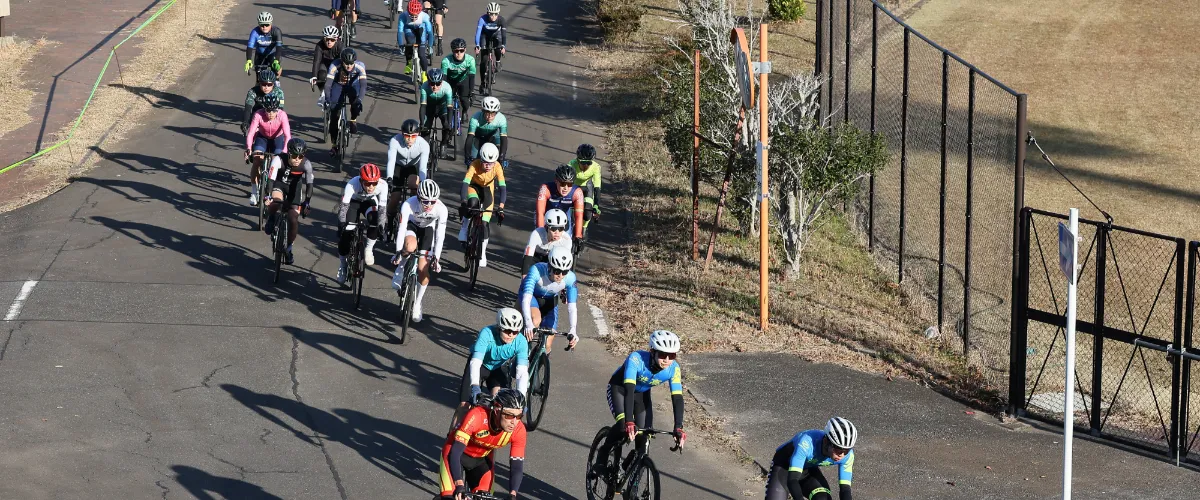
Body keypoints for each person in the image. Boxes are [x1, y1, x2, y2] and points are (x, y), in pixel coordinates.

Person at [593, 330, 686, 477]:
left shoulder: (674, 369)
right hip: (620, 389)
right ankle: (601, 457)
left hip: (641, 396)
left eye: (672, 355)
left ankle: (630, 464)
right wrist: (629, 421)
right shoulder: (636, 359)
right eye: (662, 355)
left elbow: (677, 398)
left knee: (645, 434)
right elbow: (629, 390)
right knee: (624, 425)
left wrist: (678, 427)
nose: (667, 360)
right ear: (652, 352)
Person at [448, 308, 529, 432]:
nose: (511, 335)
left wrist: (521, 398)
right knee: (465, 405)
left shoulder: (521, 341)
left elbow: (522, 373)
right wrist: (475, 386)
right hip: (481, 365)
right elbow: (476, 362)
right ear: (499, 327)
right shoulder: (487, 333)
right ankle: (451, 437)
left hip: (498, 368)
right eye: (507, 331)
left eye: (515, 332)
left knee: (502, 407)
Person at [439, 388, 527, 500]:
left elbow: (517, 467)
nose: (514, 422)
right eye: (509, 416)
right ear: (497, 410)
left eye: (519, 416)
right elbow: (455, 452)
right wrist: (459, 484)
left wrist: (512, 495)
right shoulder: (478, 416)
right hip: (456, 454)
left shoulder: (519, 430)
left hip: (481, 462)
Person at [390, 179, 447, 322]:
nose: (429, 205)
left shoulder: (441, 209)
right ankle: (401, 270)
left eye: (432, 202)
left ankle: (417, 303)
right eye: (425, 201)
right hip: (412, 226)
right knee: (409, 246)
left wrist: (437, 257)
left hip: (428, 230)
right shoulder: (409, 204)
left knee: (423, 269)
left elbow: (440, 235)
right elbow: (402, 229)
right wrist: (398, 252)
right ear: (418, 197)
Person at [764, 418, 858, 500]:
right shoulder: (806, 443)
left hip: (807, 470)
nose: (842, 455)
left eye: (846, 450)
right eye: (838, 450)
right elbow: (792, 480)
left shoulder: (848, 456)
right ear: (827, 442)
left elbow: (845, 489)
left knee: (823, 498)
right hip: (784, 467)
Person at [517, 247, 578, 352]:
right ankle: (520, 353)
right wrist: (528, 323)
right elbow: (526, 298)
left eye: (564, 272)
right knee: (535, 321)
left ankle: (537, 364)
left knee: (547, 345)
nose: (560, 276)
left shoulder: (570, 278)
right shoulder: (536, 270)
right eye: (557, 271)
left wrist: (573, 329)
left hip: (550, 301)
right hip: (532, 296)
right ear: (549, 266)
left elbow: (572, 307)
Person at [263, 139, 314, 265]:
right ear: (289, 153)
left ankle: (289, 248)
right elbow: (270, 179)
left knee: (293, 219)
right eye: (294, 156)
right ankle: (271, 217)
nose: (297, 159)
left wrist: (307, 202)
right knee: (275, 202)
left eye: (300, 156)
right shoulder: (278, 159)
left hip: (294, 190)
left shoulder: (306, 164)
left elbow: (309, 185)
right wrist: (268, 196)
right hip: (279, 185)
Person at [336, 164, 389, 284]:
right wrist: (342, 224)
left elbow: (382, 208)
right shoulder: (352, 184)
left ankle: (369, 249)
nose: (371, 187)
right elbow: (344, 207)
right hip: (353, 203)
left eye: (374, 183)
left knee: (375, 221)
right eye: (367, 183)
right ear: (361, 180)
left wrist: (381, 226)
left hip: (369, 203)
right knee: (346, 234)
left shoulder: (383, 185)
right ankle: (343, 265)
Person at [457, 142, 506, 268]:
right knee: (472, 204)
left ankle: (483, 253)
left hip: (487, 189)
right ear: (481, 159)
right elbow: (465, 184)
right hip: (474, 186)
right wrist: (463, 202)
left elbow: (502, 188)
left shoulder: (497, 167)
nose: (488, 166)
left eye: (491, 163)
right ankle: (464, 227)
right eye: (485, 162)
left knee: (484, 224)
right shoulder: (474, 164)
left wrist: (501, 207)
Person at [243, 94, 292, 207]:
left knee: (278, 163)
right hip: (262, 138)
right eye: (268, 111)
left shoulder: (282, 115)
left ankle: (277, 188)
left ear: (277, 109)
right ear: (263, 108)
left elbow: (287, 136)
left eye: (273, 111)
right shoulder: (258, 114)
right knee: (257, 160)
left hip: (277, 139)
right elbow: (251, 134)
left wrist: (284, 152)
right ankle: (254, 192)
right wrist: (249, 148)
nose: (270, 114)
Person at [323, 48, 367, 156]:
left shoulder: (360, 66)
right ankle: (334, 145)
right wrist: (328, 100)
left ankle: (353, 119)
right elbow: (328, 85)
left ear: (354, 62)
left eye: (350, 64)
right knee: (334, 113)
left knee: (356, 103)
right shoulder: (335, 65)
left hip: (353, 85)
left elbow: (363, 85)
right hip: (338, 85)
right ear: (341, 61)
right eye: (346, 63)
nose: (348, 66)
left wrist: (359, 100)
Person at [386, 119, 430, 222]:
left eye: (413, 136)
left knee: (415, 189)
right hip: (398, 166)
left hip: (412, 167)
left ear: (418, 134)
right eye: (407, 136)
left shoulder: (423, 145)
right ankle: (389, 221)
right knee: (395, 198)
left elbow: (422, 167)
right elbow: (391, 161)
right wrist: (389, 178)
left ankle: (412, 216)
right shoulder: (395, 141)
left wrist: (422, 183)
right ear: (402, 134)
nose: (410, 139)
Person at [535, 165, 585, 250]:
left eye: (569, 184)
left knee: (566, 241)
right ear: (556, 181)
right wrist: (541, 232)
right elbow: (540, 213)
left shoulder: (577, 192)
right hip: (546, 216)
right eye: (562, 183)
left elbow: (579, 216)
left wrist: (578, 236)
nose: (565, 188)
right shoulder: (545, 188)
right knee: (542, 241)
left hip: (564, 216)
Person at [522, 208, 573, 277]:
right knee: (528, 277)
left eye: (561, 229)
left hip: (552, 259)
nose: (557, 232)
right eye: (553, 228)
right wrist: (524, 275)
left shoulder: (566, 240)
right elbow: (528, 255)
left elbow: (566, 263)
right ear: (547, 227)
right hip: (536, 257)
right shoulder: (537, 233)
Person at [441, 38, 477, 121]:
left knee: (465, 100)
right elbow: (444, 78)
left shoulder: (470, 60)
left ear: (465, 50)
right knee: (448, 100)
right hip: (450, 81)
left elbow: (472, 76)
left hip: (463, 80)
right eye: (456, 51)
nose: (459, 53)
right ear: (452, 51)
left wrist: (472, 92)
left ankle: (464, 111)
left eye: (461, 51)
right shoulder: (446, 61)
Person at [463, 96, 507, 164]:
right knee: (472, 160)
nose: (489, 117)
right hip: (478, 137)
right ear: (483, 111)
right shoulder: (475, 118)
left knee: (499, 159)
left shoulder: (501, 119)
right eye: (487, 113)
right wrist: (467, 156)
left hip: (493, 136)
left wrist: (502, 157)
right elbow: (469, 138)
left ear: (496, 113)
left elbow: (504, 139)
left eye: (493, 114)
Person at [419, 68, 454, 153]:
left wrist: (449, 124)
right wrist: (422, 124)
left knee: (446, 125)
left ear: (442, 82)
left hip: (443, 107)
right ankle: (425, 150)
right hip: (429, 107)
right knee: (425, 131)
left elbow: (450, 108)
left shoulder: (447, 88)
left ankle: (444, 143)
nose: (435, 87)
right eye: (432, 83)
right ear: (428, 82)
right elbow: (423, 106)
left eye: (438, 83)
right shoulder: (424, 87)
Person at [570, 143, 603, 230]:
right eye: (582, 163)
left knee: (588, 213)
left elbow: (597, 187)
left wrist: (596, 205)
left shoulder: (596, 167)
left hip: (587, 188)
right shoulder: (572, 164)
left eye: (589, 163)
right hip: (574, 187)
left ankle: (584, 228)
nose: (585, 166)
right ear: (577, 160)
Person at [242, 69, 286, 135]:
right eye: (263, 84)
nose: (266, 87)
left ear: (273, 84)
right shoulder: (253, 91)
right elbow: (248, 108)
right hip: (258, 115)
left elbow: (280, 109)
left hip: (273, 115)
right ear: (259, 83)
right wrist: (246, 121)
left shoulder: (279, 92)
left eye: (269, 84)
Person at [398, 0, 433, 78]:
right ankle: (409, 62)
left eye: (416, 16)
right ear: (408, 12)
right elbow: (400, 32)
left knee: (422, 54)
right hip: (409, 28)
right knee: (409, 42)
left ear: (420, 13)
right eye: (411, 16)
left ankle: (424, 74)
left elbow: (430, 32)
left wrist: (430, 46)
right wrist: (401, 45)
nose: (413, 18)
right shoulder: (403, 16)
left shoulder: (424, 16)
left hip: (420, 28)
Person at [245, 12, 284, 80]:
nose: (264, 27)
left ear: (271, 23)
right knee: (259, 78)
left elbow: (279, 47)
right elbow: (249, 47)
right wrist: (248, 60)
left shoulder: (276, 31)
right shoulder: (255, 32)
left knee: (276, 73)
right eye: (262, 25)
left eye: (267, 24)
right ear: (259, 24)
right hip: (260, 55)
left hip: (273, 54)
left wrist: (276, 61)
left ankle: (277, 84)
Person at [474, 2, 507, 78]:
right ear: (487, 13)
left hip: (496, 35)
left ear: (498, 13)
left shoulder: (501, 20)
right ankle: (482, 83)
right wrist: (477, 45)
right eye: (491, 14)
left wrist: (503, 46)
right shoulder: (482, 19)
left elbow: (504, 35)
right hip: (485, 34)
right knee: (483, 61)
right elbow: (478, 33)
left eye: (495, 14)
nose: (493, 16)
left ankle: (498, 61)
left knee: (498, 47)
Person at [309, 26, 342, 97]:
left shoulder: (340, 45)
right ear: (323, 39)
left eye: (332, 40)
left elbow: (344, 60)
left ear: (336, 39)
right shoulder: (319, 45)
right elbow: (316, 61)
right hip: (325, 64)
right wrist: (314, 76)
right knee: (321, 74)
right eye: (327, 39)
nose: (329, 42)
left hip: (337, 65)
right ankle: (322, 93)